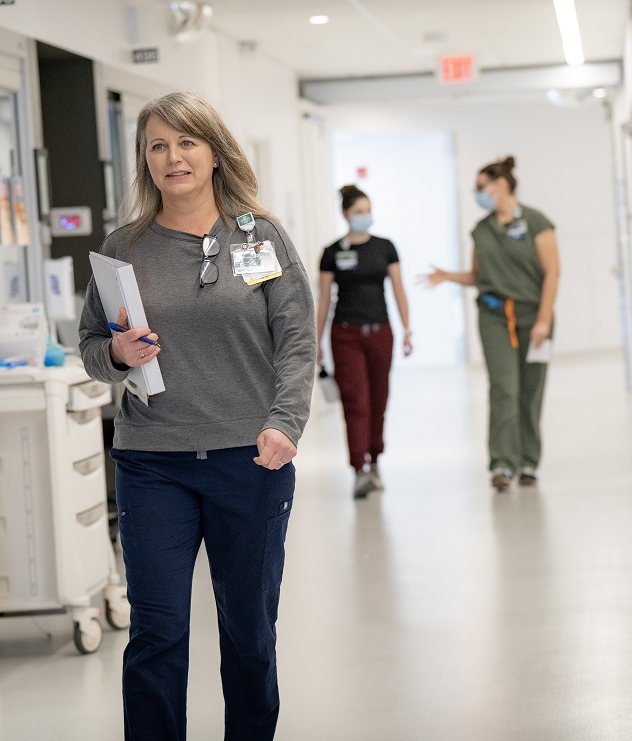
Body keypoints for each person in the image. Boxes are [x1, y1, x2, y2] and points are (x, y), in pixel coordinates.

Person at [78, 91, 316, 741]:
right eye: (158, 145)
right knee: (156, 631)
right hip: (153, 463)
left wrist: (285, 421)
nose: (173, 157)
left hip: (251, 458)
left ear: (213, 153)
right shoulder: (123, 247)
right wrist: (117, 354)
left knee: (248, 632)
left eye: (186, 142)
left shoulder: (255, 237)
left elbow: (296, 338)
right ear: (144, 160)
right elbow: (91, 349)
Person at [426, 156, 560, 491]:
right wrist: (448, 276)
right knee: (504, 388)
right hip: (494, 316)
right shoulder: (482, 230)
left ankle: (528, 460)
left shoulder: (536, 222)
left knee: (530, 391)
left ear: (500, 185)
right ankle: (502, 463)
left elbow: (553, 273)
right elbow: (477, 275)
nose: (477, 193)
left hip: (533, 317)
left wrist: (544, 320)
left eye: (480, 187)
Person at [314, 185, 412, 499]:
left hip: (381, 331)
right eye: (358, 211)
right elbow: (324, 299)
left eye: (367, 210)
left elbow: (398, 289)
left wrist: (408, 328)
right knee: (356, 401)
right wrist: (315, 341)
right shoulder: (331, 252)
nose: (363, 216)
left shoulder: (385, 247)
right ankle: (359, 468)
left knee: (379, 397)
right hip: (345, 335)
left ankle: (376, 461)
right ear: (345, 214)